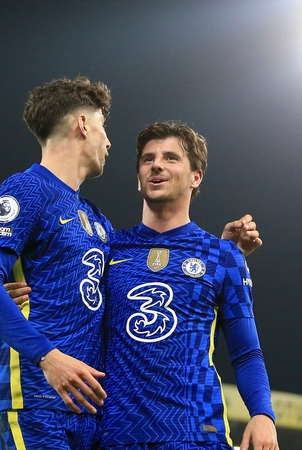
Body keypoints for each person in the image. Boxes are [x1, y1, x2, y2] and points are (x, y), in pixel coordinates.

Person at [0, 77, 262, 450]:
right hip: (34, 397)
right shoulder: (26, 189)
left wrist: (218, 256)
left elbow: (163, 273)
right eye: (104, 127)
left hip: (90, 409)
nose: (108, 142)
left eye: (170, 158)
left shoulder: (98, 224)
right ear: (83, 124)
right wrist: (46, 354)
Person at [98, 121, 278, 450]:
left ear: (196, 177)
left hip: (195, 434)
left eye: (170, 158)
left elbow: (246, 352)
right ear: (138, 177)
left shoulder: (223, 256)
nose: (156, 164)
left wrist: (262, 414)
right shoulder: (108, 249)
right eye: (147, 158)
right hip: (117, 435)